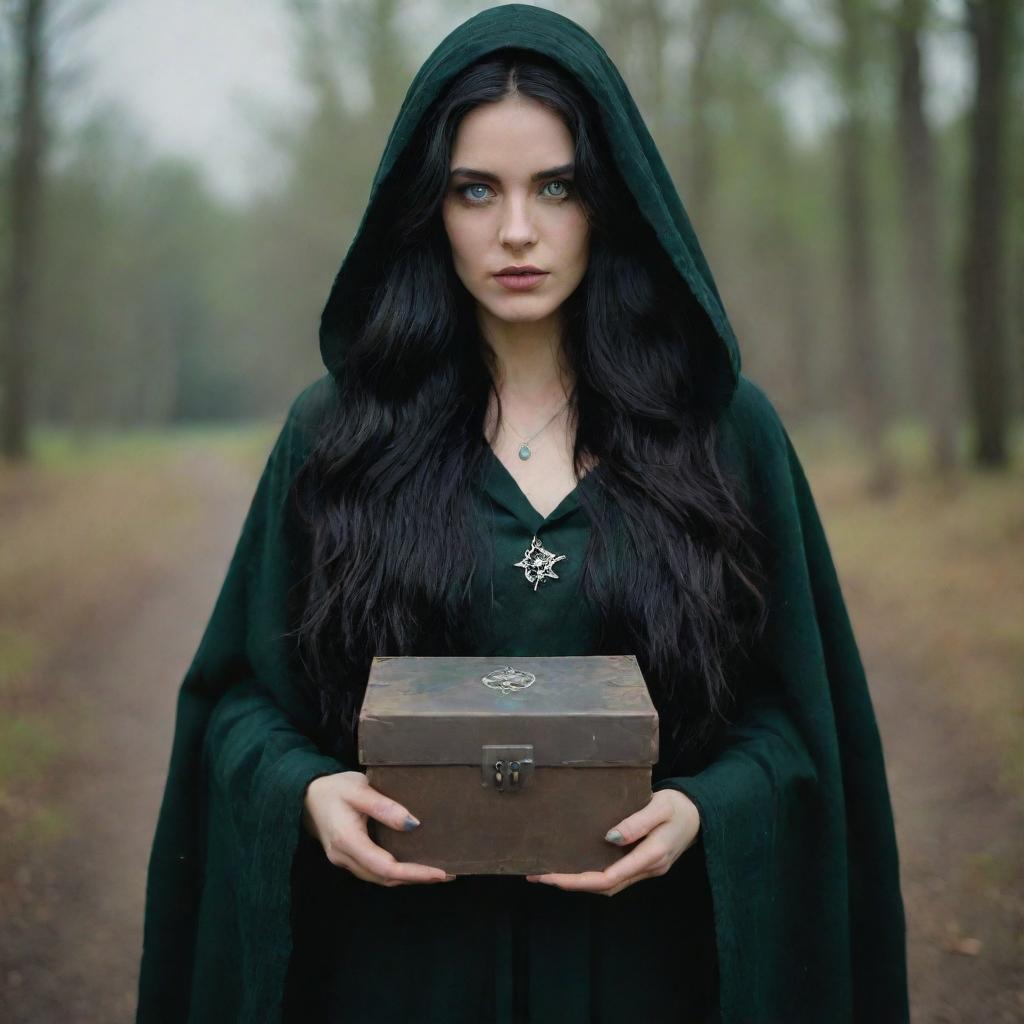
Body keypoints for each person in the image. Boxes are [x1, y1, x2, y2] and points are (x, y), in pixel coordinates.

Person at [136, 5, 909, 1023]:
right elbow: (239, 702)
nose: (516, 230)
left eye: (557, 186)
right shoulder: (336, 436)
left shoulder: (719, 432)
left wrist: (699, 809)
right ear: (427, 208)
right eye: (474, 190)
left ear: (611, 201)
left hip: (649, 971)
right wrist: (308, 793)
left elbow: (797, 718)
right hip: (398, 972)